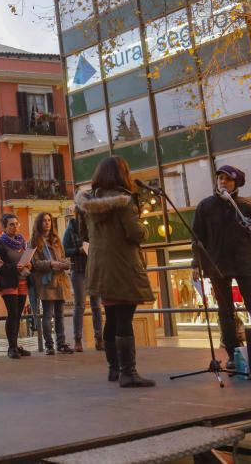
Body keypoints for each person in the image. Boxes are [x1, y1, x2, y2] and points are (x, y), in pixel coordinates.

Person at [75, 156, 155, 388]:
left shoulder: (86, 203)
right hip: (123, 264)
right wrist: (145, 229)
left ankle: (114, 369)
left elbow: (84, 235)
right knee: (124, 318)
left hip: (100, 266)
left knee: (111, 317)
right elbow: (135, 233)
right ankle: (128, 372)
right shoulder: (124, 201)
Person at [191, 165, 251, 370]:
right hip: (217, 265)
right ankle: (233, 353)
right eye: (220, 178)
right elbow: (197, 237)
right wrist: (196, 263)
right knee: (225, 312)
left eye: (227, 179)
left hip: (245, 263)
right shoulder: (205, 206)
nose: (222, 182)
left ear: (236, 183)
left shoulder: (247, 207)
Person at [30, 212, 73, 355]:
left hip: (60, 280)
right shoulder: (35, 241)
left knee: (60, 314)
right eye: (44, 221)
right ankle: (49, 345)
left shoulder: (56, 239)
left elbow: (63, 257)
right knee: (48, 315)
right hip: (46, 282)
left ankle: (61, 343)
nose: (47, 223)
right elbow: (35, 263)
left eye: (49, 220)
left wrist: (65, 264)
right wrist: (50, 263)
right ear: (39, 223)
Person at [63, 205, 102, 352]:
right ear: (78, 214)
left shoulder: (93, 228)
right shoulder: (70, 229)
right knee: (80, 306)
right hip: (78, 270)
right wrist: (78, 250)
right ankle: (77, 339)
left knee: (96, 306)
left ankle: (99, 339)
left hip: (93, 269)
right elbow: (65, 250)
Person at [0, 213, 33, 359]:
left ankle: (15, 345)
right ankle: (11, 348)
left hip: (22, 280)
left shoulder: (22, 241)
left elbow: (29, 261)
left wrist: (30, 265)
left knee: (18, 315)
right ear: (4, 227)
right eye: (11, 224)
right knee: (13, 313)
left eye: (16, 224)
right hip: (8, 281)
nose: (15, 227)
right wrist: (15, 268)